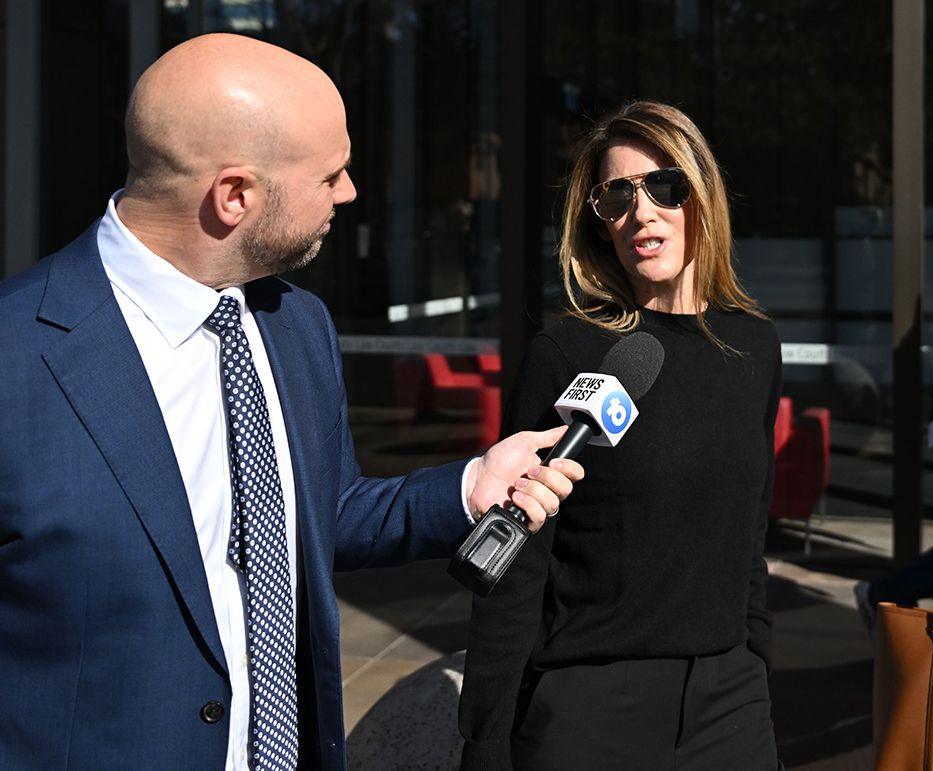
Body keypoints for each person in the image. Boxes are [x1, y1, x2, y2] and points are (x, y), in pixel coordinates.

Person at [0, 34, 583, 770]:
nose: (349, 192)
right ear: (235, 195)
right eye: (331, 174)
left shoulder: (295, 322)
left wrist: (469, 487)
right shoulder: (17, 356)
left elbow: (319, 517)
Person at [458, 100, 781, 770]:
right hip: (591, 705)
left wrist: (754, 659)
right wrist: (487, 735)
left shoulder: (753, 348)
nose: (641, 213)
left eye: (665, 186)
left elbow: (749, 532)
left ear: (702, 197)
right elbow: (520, 557)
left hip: (731, 703)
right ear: (599, 223)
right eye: (615, 196)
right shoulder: (568, 352)